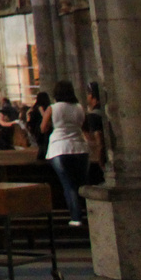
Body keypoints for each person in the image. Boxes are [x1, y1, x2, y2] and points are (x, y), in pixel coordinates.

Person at [43, 79, 89, 226]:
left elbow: (43, 128)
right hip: (80, 147)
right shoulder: (79, 107)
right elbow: (83, 125)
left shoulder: (53, 108)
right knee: (81, 184)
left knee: (69, 185)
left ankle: (76, 218)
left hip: (60, 147)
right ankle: (88, 214)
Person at [83, 83, 107, 187]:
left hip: (97, 160)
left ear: (93, 96)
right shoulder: (103, 112)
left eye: (88, 94)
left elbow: (99, 140)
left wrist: (100, 161)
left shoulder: (93, 116)